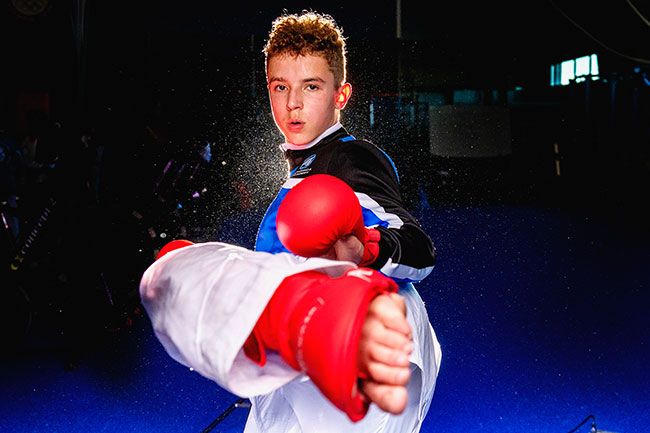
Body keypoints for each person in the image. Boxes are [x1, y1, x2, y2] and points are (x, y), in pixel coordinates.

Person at [139, 10, 441, 433]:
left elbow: (420, 249)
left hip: (361, 341)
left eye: (311, 87)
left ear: (341, 95)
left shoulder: (350, 158)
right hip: (317, 346)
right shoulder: (302, 171)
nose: (293, 103)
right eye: (281, 87)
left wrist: (367, 247)